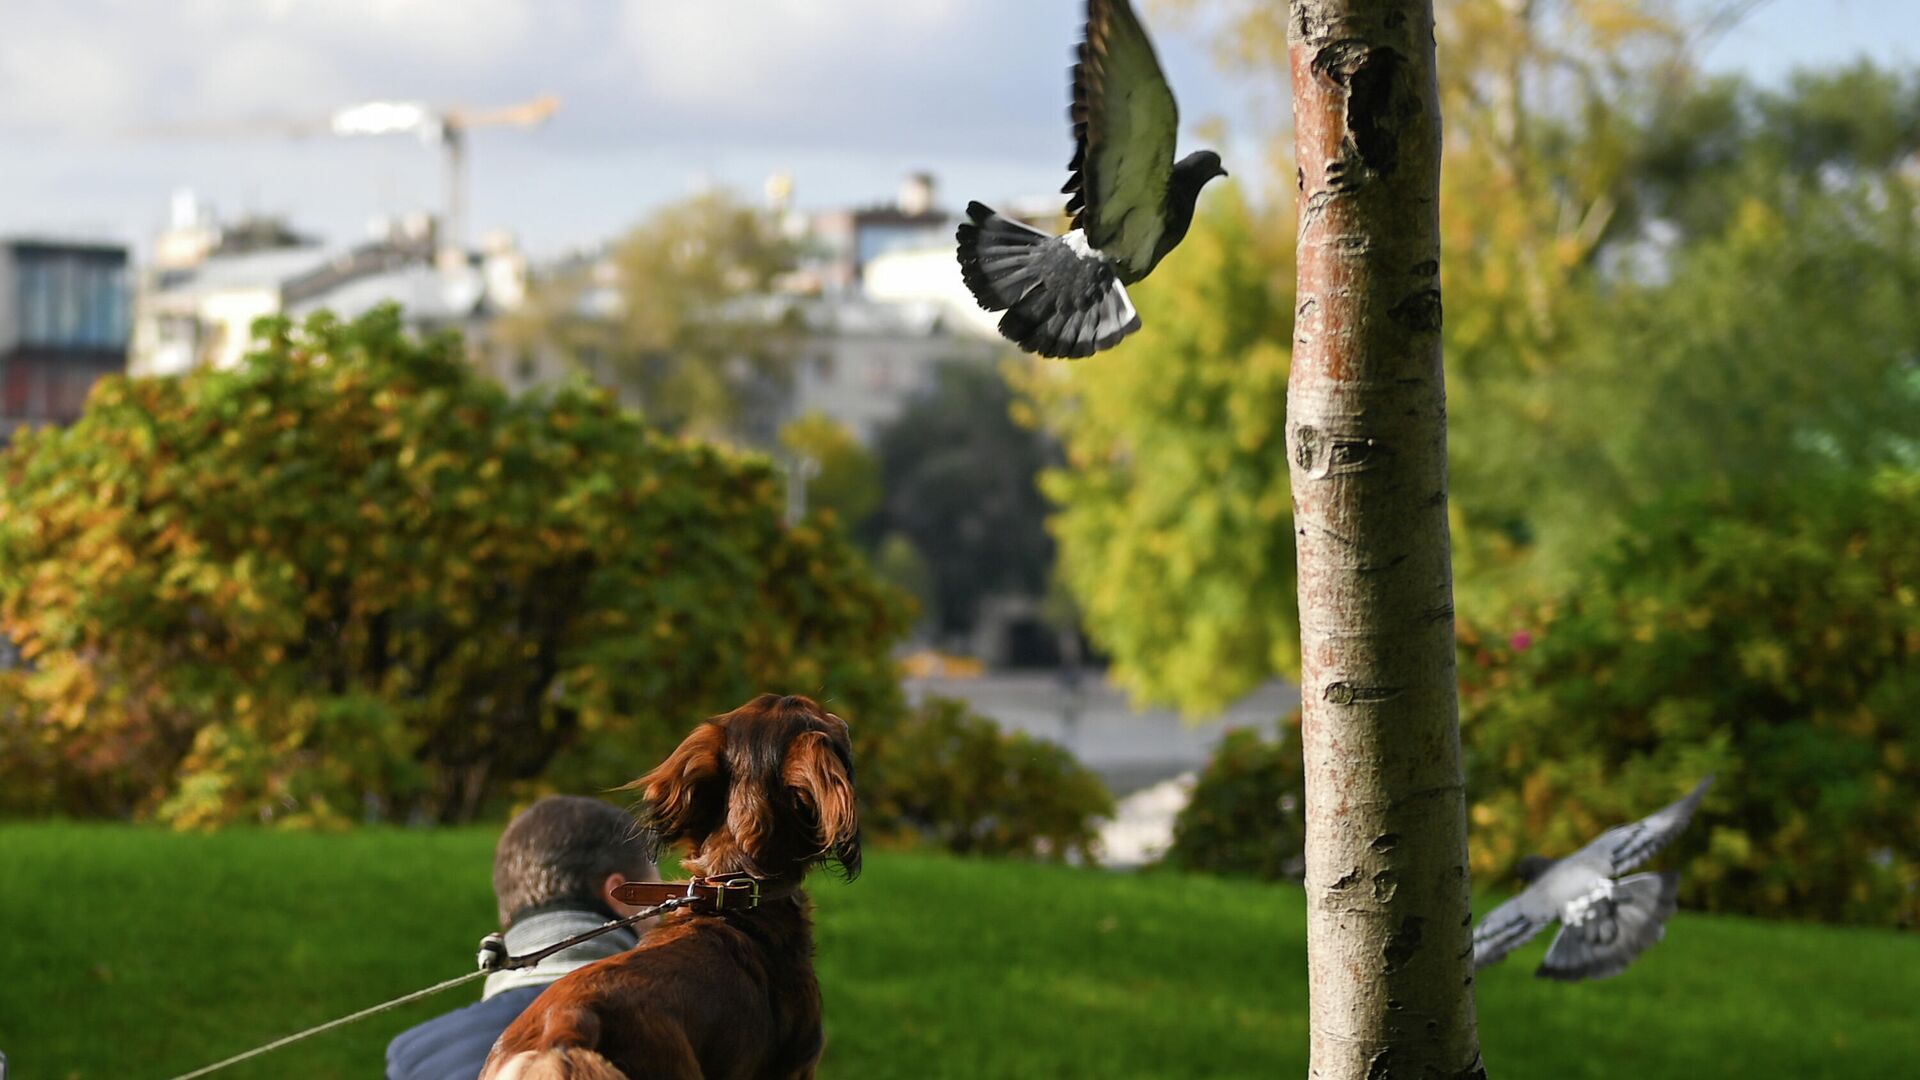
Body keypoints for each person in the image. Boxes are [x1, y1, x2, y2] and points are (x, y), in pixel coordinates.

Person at [386, 795, 659, 1080]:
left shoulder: (415, 1058)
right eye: (657, 895)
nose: (660, 919)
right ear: (620, 893)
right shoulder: (684, 1033)